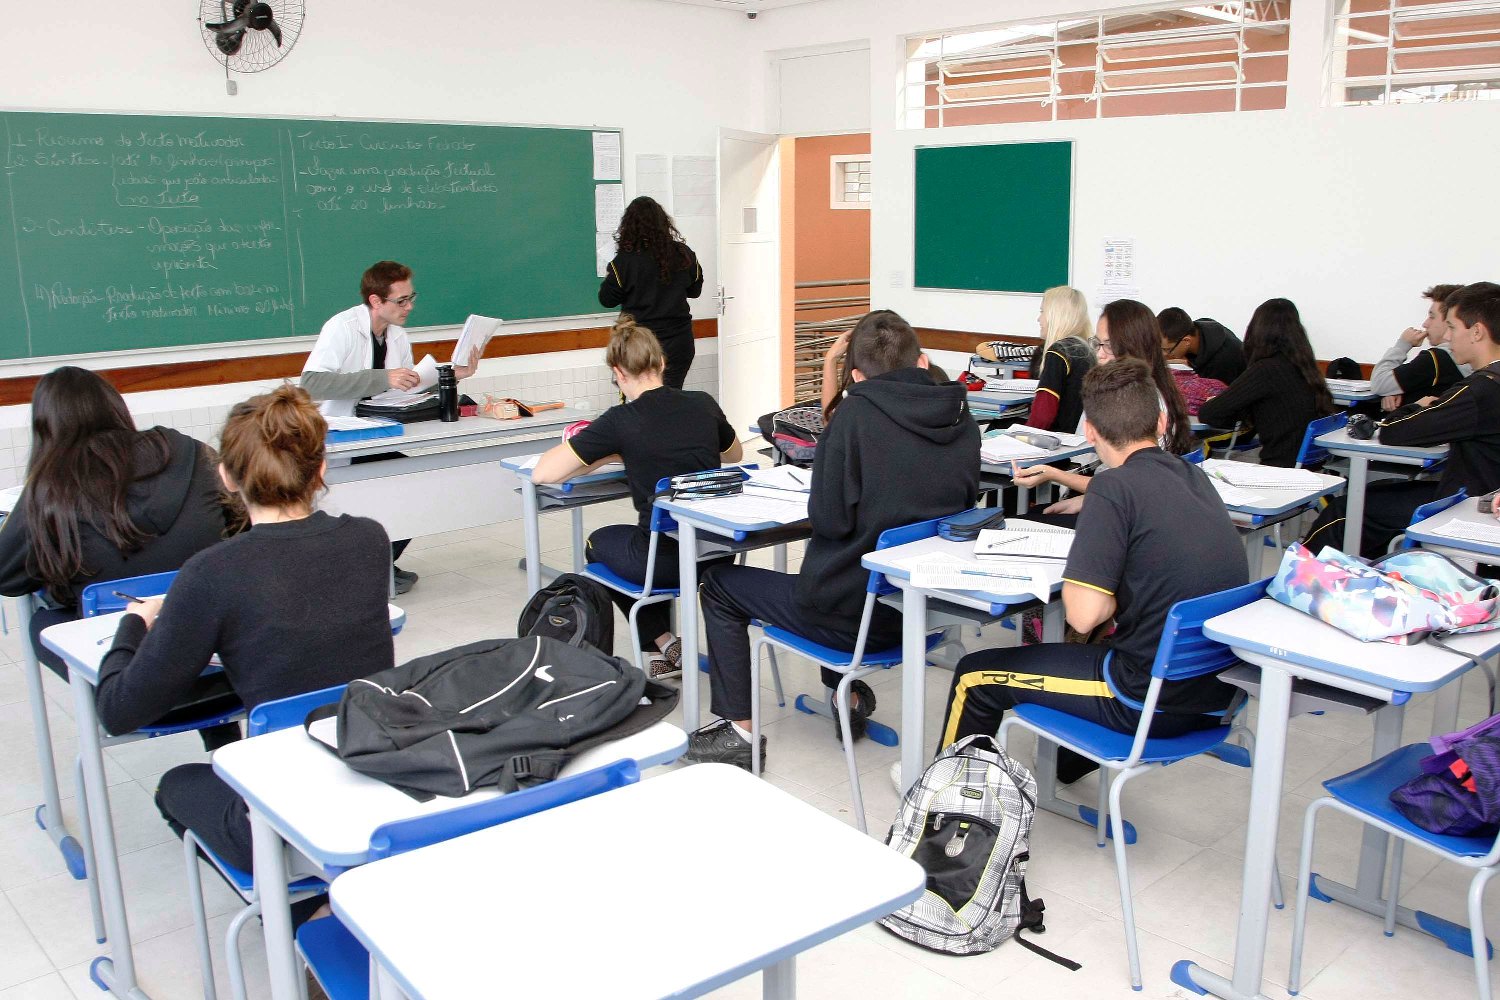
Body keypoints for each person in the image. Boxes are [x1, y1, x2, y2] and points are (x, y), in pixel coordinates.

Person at [95, 385, 394, 876]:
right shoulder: (369, 538)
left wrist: (134, 623)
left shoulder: (213, 572)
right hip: (374, 781)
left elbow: (118, 710)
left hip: (278, 817)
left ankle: (296, 910)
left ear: (227, 477)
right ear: (320, 468)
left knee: (176, 784)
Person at [682, 310, 980, 769]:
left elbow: (830, 521)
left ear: (856, 376)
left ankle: (738, 730)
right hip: (926, 610)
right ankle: (849, 696)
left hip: (855, 620)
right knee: (836, 570)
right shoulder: (961, 415)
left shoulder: (854, 416)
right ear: (921, 362)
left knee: (720, 584)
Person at [936, 358, 1248, 783]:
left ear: (1091, 432)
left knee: (974, 675)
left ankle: (943, 796)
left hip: (1146, 699)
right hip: (1216, 695)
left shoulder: (1114, 488)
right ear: (1160, 422)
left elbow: (1083, 616)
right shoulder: (1194, 476)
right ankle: (1063, 765)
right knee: (1093, 646)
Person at [533, 317, 742, 676]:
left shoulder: (620, 420)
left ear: (618, 373)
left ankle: (663, 642)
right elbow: (734, 454)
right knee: (646, 541)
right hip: (716, 554)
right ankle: (667, 653)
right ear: (662, 362)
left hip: (664, 565)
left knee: (598, 545)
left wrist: (609, 455)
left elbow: (543, 473)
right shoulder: (703, 402)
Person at [0, 367, 230, 681]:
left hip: (124, 669)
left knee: (43, 624)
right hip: (213, 646)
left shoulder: (51, 485)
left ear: (45, 427)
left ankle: (103, 698)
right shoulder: (190, 451)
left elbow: (6, 576)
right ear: (115, 406)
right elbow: (238, 527)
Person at [299, 260, 479, 595]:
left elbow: (406, 386)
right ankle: (364, 571)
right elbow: (311, 383)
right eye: (401, 301)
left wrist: (453, 375)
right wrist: (384, 377)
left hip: (378, 432)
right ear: (375, 300)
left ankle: (378, 565)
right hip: (339, 438)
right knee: (390, 490)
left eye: (411, 298)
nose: (409, 307)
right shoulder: (342, 327)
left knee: (416, 485)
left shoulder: (397, 335)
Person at [1305, 281, 1500, 558]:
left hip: (1467, 507)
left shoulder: (1479, 390)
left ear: (1477, 332)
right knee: (1379, 490)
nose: (1448, 336)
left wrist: (1415, 406)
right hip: (1482, 497)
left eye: (1453, 327)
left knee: (1346, 510)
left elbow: (1393, 431)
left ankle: (1303, 577)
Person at [1010, 299, 1197, 520]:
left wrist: (1057, 476)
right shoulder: (1132, 388)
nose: (1099, 354)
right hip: (1108, 497)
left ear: (1134, 346)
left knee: (1021, 521)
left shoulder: (1141, 400)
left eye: (1109, 345)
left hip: (1118, 509)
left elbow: (1129, 486)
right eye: (1097, 344)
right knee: (1029, 515)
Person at [1197, 298, 1337, 467]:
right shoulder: (1306, 368)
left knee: (1209, 461)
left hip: (1278, 468)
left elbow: (1209, 414)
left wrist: (1217, 402)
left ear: (1257, 331)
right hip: (1308, 466)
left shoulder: (1266, 370)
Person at [599, 197, 704, 390]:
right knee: (672, 397)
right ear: (664, 223)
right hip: (679, 341)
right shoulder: (684, 254)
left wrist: (610, 276)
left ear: (628, 226)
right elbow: (695, 290)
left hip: (640, 345)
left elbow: (607, 300)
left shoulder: (624, 261)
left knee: (643, 400)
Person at [1370, 283, 1469, 412]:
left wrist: (1403, 344)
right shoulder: (1467, 358)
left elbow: (1379, 383)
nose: (1425, 324)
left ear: (1450, 320)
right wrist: (1393, 390)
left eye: (1432, 317)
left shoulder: (1436, 359)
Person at [1025, 285, 1096, 432]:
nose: (1039, 319)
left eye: (1042, 312)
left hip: (1059, 439)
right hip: (1082, 438)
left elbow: (1043, 415)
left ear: (1056, 316)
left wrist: (1022, 437)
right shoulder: (1086, 349)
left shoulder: (1058, 352)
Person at [1158, 308, 1246, 384]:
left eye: (1166, 349)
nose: (1163, 354)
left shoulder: (1222, 362)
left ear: (1186, 341)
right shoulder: (1194, 329)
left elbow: (1216, 395)